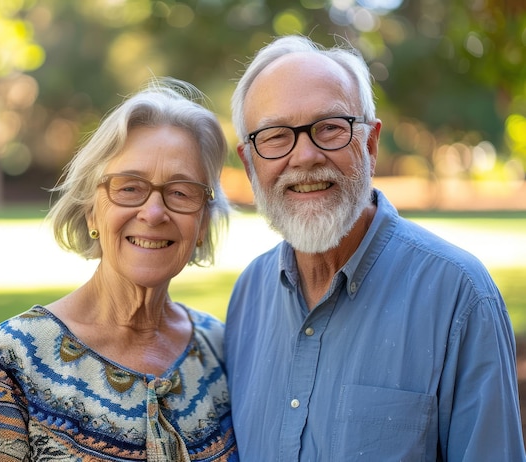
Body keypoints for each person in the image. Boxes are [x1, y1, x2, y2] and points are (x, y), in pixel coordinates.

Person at [224, 34, 525, 461]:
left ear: (370, 143)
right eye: (276, 135)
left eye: (330, 127)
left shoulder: (459, 296)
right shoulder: (247, 295)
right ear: (250, 162)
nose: (305, 156)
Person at [0, 78, 238, 461]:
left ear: (202, 224)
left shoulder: (220, 350)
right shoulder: (18, 356)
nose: (153, 212)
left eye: (181, 193)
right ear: (91, 211)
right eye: (129, 188)